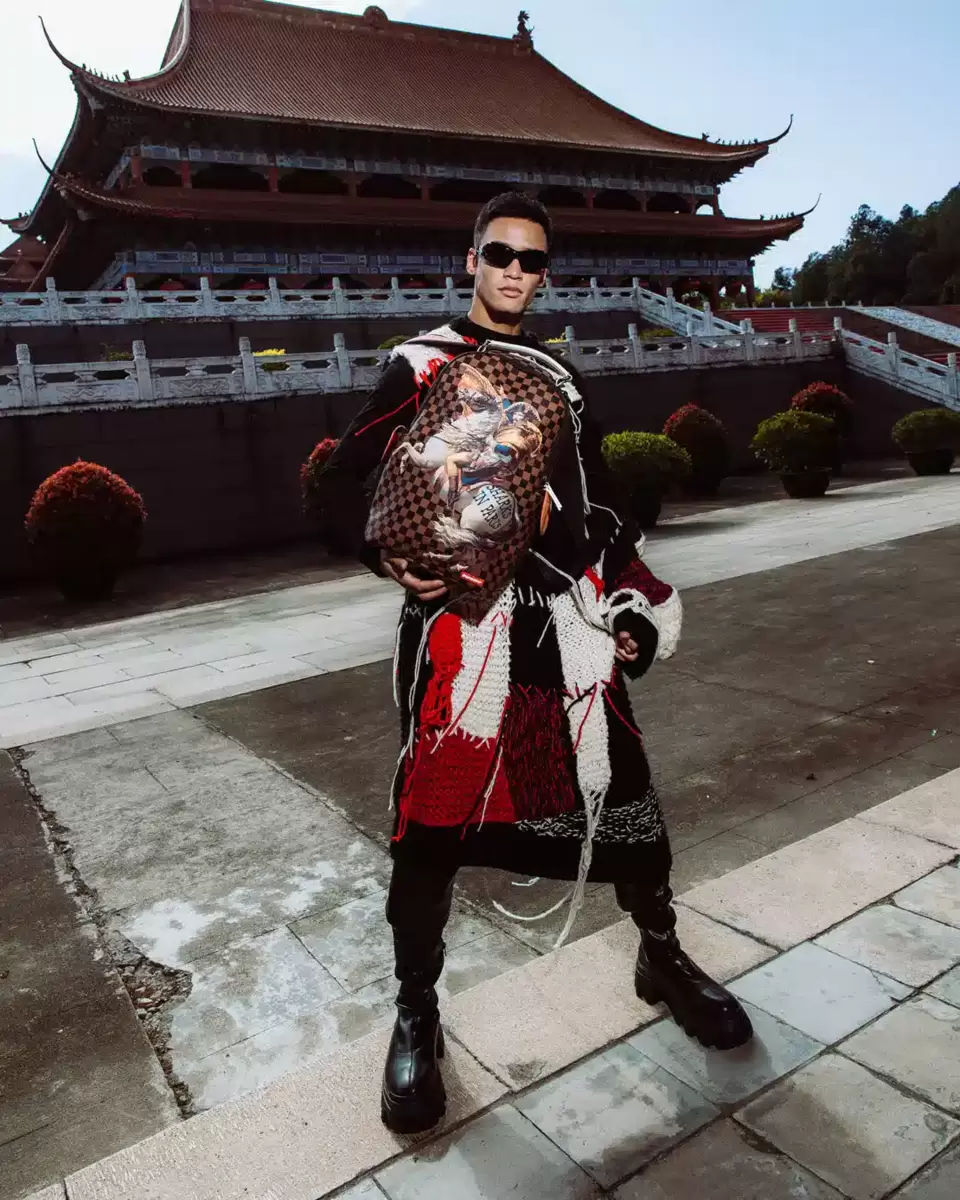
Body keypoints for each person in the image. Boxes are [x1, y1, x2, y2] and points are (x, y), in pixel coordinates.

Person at [314, 192, 753, 1136]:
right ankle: (417, 1011)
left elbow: (600, 515)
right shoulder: (421, 363)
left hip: (565, 632)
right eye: (501, 254)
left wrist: (632, 609)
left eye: (532, 260)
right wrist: (383, 557)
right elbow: (341, 477)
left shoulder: (559, 379)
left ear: (544, 273)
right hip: (461, 639)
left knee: (624, 797)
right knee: (431, 826)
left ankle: (660, 954)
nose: (516, 271)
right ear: (470, 260)